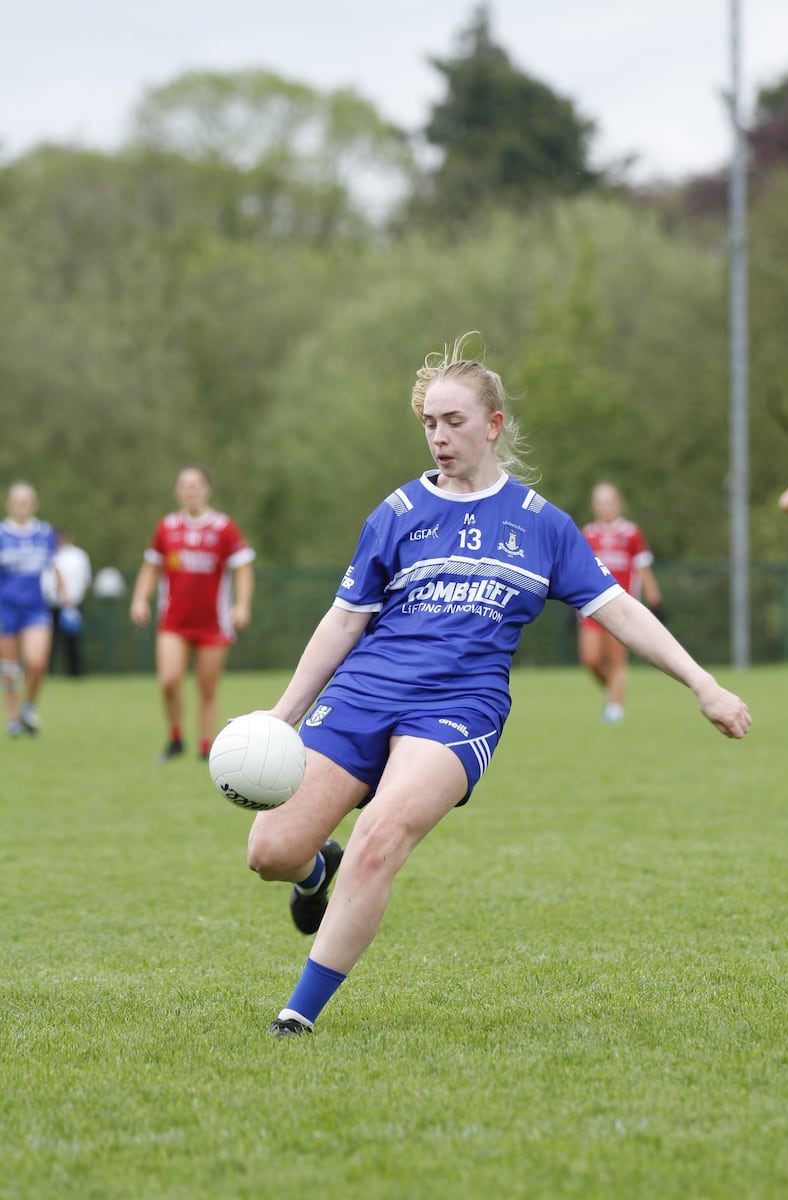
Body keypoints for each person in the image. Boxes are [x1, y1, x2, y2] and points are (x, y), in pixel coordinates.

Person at [244, 333, 751, 1038]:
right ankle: (311, 874)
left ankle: (296, 1016)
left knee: (380, 837)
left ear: (493, 425)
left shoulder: (543, 527)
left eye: (453, 423)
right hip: (364, 692)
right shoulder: (396, 513)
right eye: (429, 424)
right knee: (269, 853)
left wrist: (704, 684)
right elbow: (341, 622)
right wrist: (282, 716)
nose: (439, 438)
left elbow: (622, 611)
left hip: (458, 707)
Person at [129, 465, 255, 762]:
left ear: (207, 489)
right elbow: (151, 567)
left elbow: (243, 569)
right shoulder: (167, 527)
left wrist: (242, 604)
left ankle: (205, 746)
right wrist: (139, 599)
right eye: (185, 485)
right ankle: (175, 737)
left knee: (207, 687)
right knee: (169, 680)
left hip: (213, 623)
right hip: (173, 622)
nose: (191, 490)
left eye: (196, 484)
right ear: (177, 491)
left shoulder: (224, 528)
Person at [579, 482, 664, 724]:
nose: (605, 506)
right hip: (591, 606)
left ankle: (615, 708)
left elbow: (643, 569)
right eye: (600, 502)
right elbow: (579, 571)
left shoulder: (631, 533)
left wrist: (655, 600)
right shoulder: (588, 533)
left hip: (623, 606)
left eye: (609, 501)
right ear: (594, 506)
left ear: (618, 503)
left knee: (617, 659)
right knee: (591, 658)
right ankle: (612, 690)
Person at [0, 481, 68, 736]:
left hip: (35, 608)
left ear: (34, 504)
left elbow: (55, 567)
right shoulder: (2, 534)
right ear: (9, 504)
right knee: (9, 668)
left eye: (26, 501)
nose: (22, 506)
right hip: (5, 608)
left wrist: (67, 601)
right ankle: (13, 717)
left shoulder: (44, 533)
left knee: (37, 663)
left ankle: (28, 706)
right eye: (17, 501)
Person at [41, 530, 92, 677]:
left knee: (73, 641)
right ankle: (45, 672)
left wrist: (73, 599)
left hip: (72, 604)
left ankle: (75, 672)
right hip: (50, 604)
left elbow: (85, 579)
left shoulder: (78, 555)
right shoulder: (49, 553)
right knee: (47, 641)